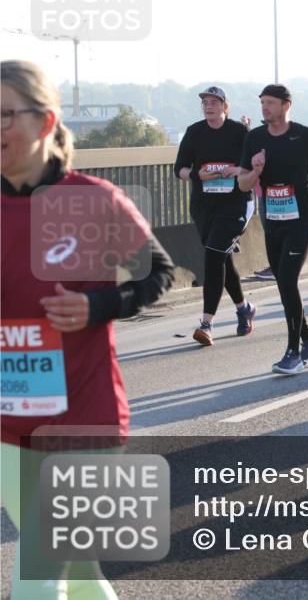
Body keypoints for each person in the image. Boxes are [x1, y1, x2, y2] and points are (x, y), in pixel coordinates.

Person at [1, 59, 175, 599]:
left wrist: (98, 305)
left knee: (35, 579)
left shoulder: (93, 199)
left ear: (46, 122)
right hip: (10, 424)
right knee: (76, 574)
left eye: (5, 115)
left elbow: (159, 273)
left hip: (85, 415)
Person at [238, 84, 308, 374]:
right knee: (284, 283)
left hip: (302, 219)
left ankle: (293, 351)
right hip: (272, 220)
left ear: (286, 105)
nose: (265, 108)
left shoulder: (305, 135)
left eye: (270, 103)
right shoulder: (255, 138)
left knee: (286, 280)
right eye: (262, 103)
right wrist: (256, 170)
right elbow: (243, 184)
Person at [174, 86, 256, 346]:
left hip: (236, 205)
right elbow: (180, 169)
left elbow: (255, 163)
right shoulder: (194, 132)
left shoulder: (238, 131)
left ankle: (207, 323)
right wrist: (198, 174)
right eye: (205, 103)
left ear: (225, 107)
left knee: (213, 256)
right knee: (221, 257)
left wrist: (236, 169)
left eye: (215, 102)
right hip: (204, 207)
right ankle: (244, 309)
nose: (209, 106)